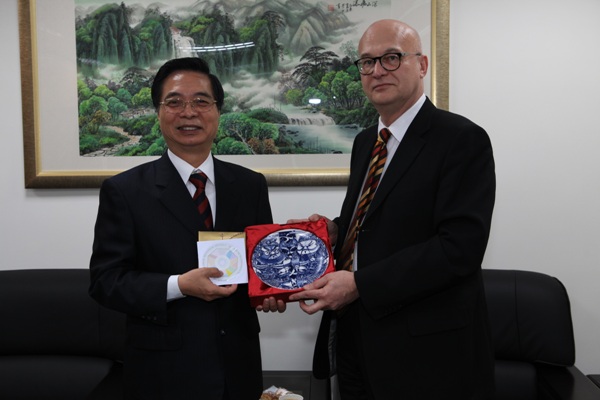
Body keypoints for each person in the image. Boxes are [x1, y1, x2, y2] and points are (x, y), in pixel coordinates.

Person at [288, 19, 496, 399]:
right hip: (354, 339)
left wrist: (360, 285)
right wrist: (335, 231)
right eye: (367, 62)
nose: (377, 70)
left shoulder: (462, 139)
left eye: (391, 58)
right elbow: (374, 220)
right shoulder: (367, 141)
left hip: (427, 353)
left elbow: (459, 248)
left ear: (422, 65)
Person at [89, 57, 282, 400]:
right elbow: (106, 282)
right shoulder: (125, 191)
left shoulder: (250, 185)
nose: (188, 112)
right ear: (158, 112)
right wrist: (179, 285)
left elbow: (259, 263)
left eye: (201, 101)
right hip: (162, 371)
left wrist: (270, 290)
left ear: (217, 111)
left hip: (237, 365)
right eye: (174, 102)